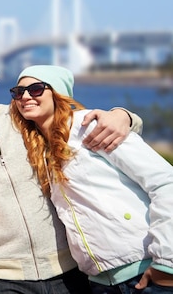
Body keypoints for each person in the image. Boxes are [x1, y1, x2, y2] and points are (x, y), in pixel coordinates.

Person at [0, 45, 144, 294]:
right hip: (2, 274)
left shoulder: (28, 116)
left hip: (68, 267)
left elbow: (77, 120)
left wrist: (124, 115)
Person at [10, 65, 173, 293]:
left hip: (146, 272)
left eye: (36, 89)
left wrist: (167, 262)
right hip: (100, 283)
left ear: (58, 94)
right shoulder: (38, 149)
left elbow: (165, 182)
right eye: (18, 92)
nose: (25, 96)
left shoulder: (90, 126)